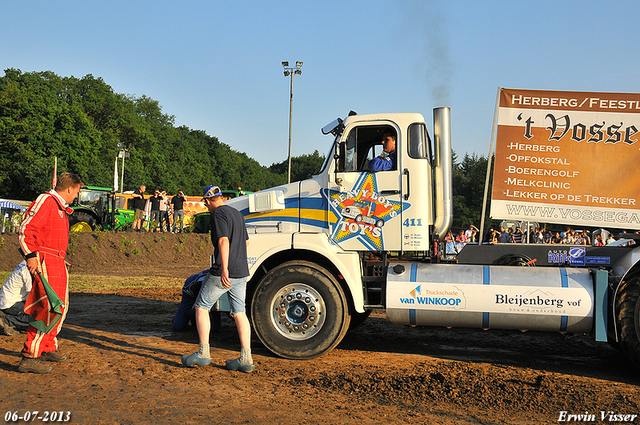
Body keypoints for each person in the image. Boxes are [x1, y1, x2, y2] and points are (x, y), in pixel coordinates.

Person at [181, 184, 254, 373]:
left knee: (201, 307)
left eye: (205, 203)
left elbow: (223, 240)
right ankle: (246, 359)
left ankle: (203, 353)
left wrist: (224, 269)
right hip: (242, 271)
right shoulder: (237, 214)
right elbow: (245, 241)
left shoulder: (218, 214)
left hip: (225, 270)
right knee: (239, 312)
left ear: (207, 201)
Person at [17, 172, 83, 374]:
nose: (77, 196)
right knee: (48, 306)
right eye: (77, 191)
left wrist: (60, 258)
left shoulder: (59, 207)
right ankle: (31, 355)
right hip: (44, 260)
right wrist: (31, 256)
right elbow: (26, 229)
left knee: (60, 306)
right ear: (70, 188)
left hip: (55, 260)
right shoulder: (47, 200)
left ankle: (47, 346)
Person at [0, 260, 33, 336]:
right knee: (39, 314)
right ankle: (8, 321)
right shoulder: (28, 272)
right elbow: (32, 296)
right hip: (11, 303)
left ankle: (20, 324)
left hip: (7, 299)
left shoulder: (26, 262)